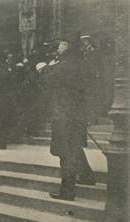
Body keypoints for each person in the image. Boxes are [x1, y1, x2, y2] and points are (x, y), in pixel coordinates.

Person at [49, 39, 95, 201]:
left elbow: (47, 84)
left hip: (65, 115)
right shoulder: (80, 63)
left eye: (61, 44)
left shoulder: (62, 66)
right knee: (73, 148)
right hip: (76, 115)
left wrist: (45, 69)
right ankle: (87, 176)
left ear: (68, 47)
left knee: (65, 154)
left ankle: (67, 191)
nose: (58, 47)